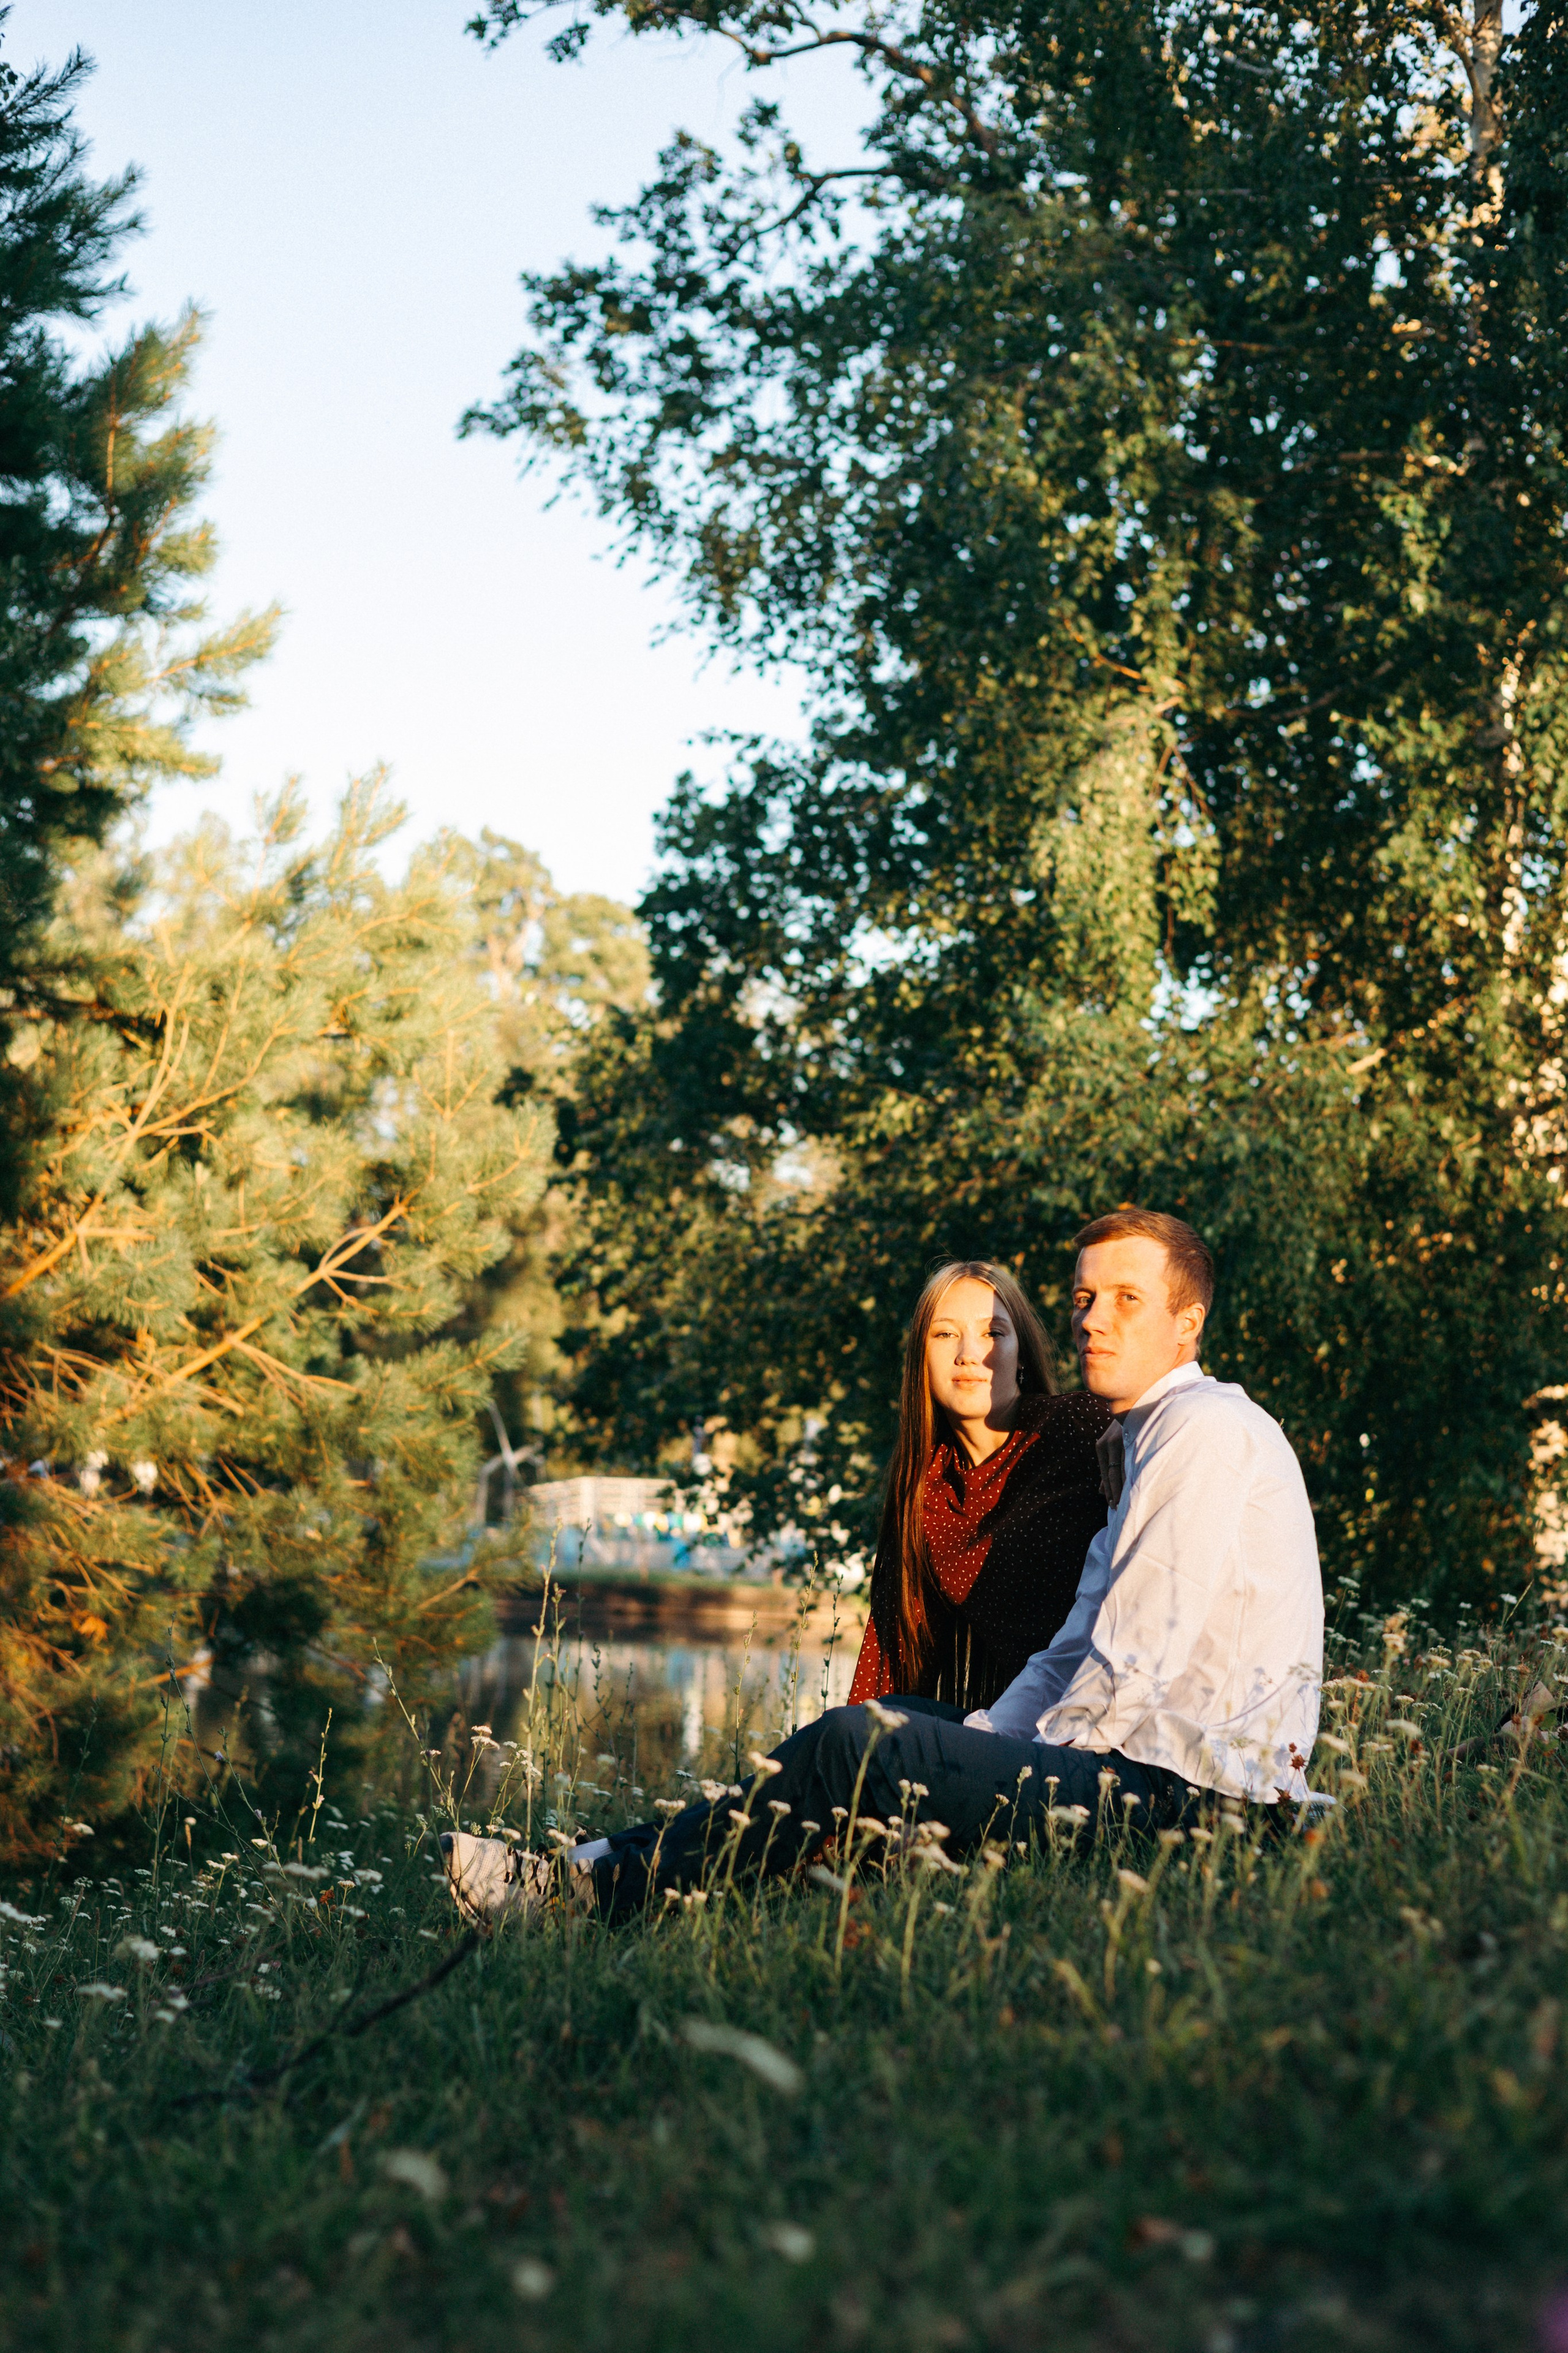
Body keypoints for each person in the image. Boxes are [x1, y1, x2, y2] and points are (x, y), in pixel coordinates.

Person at [441, 1209, 1324, 1929]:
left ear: (1188, 1322)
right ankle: (594, 1864)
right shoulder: (1136, 1440)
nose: (1094, 1319)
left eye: (1127, 1299)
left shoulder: (1203, 1432)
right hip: (1138, 1771)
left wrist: (998, 1783)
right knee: (880, 1721)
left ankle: (597, 1901)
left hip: (1194, 1803)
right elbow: (1071, 1648)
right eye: (1087, 1297)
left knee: (855, 1747)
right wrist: (982, 1742)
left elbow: (1136, 1662)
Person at [848, 1257, 1112, 1712]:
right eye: (945, 1333)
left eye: (993, 1332)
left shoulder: (1079, 1428)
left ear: (1022, 1354)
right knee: (844, 1736)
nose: (969, 1353)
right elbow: (890, 1662)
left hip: (1102, 1718)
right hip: (1006, 1726)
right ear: (921, 1360)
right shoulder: (924, 1495)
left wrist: (1127, 1426)